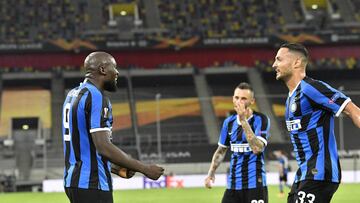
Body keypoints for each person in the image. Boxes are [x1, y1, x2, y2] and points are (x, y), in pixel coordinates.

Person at [62, 51, 164, 203]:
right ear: (103, 69)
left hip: (73, 182)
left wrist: (115, 168)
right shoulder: (96, 97)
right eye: (114, 67)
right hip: (92, 184)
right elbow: (103, 146)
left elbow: (84, 145)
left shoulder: (73, 94)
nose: (117, 72)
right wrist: (145, 169)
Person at [272, 43, 360, 203]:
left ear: (296, 62)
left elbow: (353, 111)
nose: (274, 64)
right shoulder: (291, 98)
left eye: (279, 59)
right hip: (304, 174)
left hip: (319, 172)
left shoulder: (311, 88)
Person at [205, 82, 271, 203]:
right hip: (233, 185)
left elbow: (257, 149)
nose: (239, 101)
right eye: (236, 97)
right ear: (232, 99)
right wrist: (211, 173)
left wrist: (243, 120)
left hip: (255, 183)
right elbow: (221, 151)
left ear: (252, 101)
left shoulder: (261, 119)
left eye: (244, 98)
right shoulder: (228, 123)